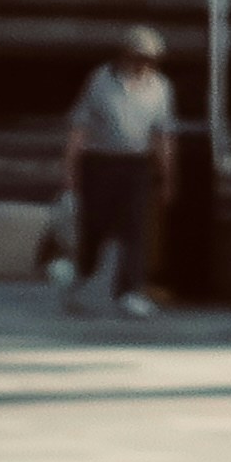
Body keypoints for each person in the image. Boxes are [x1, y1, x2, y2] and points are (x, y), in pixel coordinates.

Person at [59, 27, 175, 319]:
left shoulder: (160, 88)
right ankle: (81, 275)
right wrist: (70, 169)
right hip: (100, 161)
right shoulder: (101, 80)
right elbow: (79, 127)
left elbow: (162, 134)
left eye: (150, 59)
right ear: (125, 55)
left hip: (136, 163)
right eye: (138, 58)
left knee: (135, 228)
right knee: (95, 226)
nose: (143, 65)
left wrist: (167, 175)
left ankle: (130, 291)